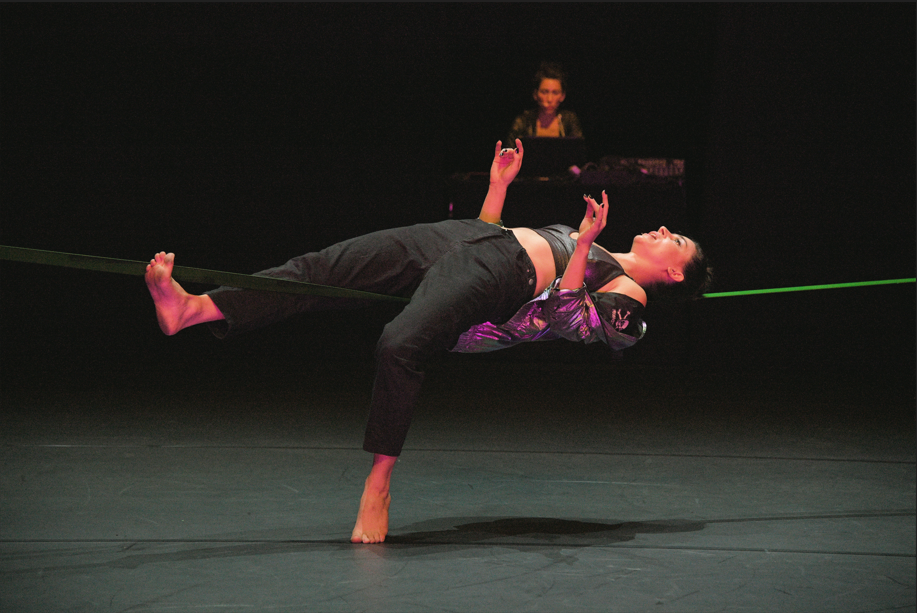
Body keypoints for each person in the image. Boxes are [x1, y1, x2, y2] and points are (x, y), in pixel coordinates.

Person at [145, 138, 711, 544]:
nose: (665, 230)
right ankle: (196, 309)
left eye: (677, 240)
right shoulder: (603, 249)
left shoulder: (629, 296)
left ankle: (379, 485)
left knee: (399, 345)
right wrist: (498, 188)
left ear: (675, 273)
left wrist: (583, 244)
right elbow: (490, 235)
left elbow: (565, 317)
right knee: (323, 267)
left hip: (501, 275)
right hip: (468, 240)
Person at [507, 62, 584, 140]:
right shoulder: (523, 122)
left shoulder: (569, 121)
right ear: (535, 94)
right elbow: (510, 147)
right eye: (544, 92)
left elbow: (578, 146)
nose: (549, 99)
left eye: (555, 93)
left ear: (562, 96)